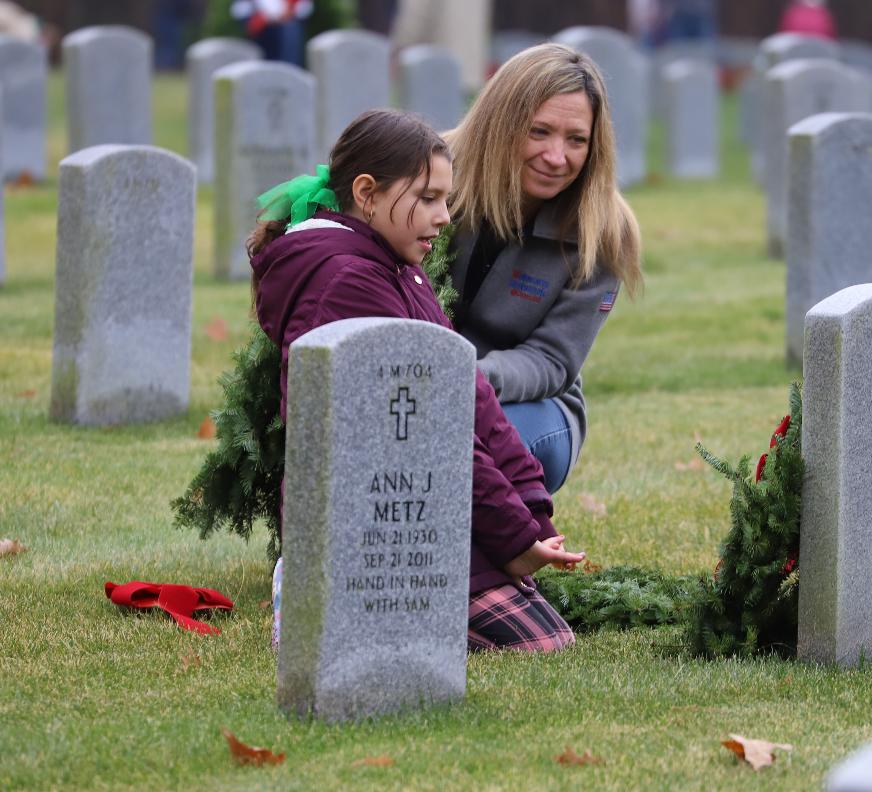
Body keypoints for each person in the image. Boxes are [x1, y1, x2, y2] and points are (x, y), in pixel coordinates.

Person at [250, 109, 584, 652]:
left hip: (419, 503)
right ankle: (315, 586)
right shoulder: (349, 281)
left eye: (445, 200)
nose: (445, 216)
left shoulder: (398, 267)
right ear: (367, 193)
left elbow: (469, 396)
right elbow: (431, 431)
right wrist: (512, 537)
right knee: (541, 643)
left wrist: (531, 511)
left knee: (547, 631)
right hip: (374, 523)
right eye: (428, 198)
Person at [444, 43, 644, 494]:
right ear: (501, 124)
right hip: (416, 381)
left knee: (474, 444)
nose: (557, 157)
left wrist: (467, 380)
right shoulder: (431, 177)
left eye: (576, 140)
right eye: (539, 132)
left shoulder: (603, 231)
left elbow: (553, 360)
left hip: (531, 400)